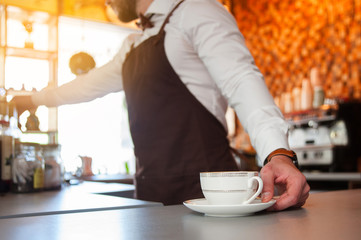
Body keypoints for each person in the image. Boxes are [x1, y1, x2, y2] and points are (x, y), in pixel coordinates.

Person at [12, 0, 309, 209]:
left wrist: (278, 154)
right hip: (149, 195)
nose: (106, 2)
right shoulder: (130, 45)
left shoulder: (197, 10)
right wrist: (32, 100)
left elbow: (241, 81)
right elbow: (86, 86)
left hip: (210, 196)